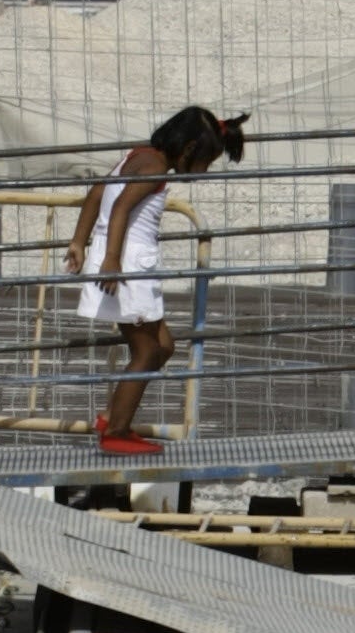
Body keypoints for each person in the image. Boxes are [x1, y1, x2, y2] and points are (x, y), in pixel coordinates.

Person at [67, 105, 246, 452]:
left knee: (164, 347)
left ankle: (112, 417)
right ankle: (116, 432)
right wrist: (112, 261)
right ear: (189, 149)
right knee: (147, 350)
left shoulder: (139, 156)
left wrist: (78, 241)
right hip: (127, 267)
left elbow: (97, 194)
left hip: (129, 264)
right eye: (204, 163)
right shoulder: (153, 167)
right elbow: (119, 208)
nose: (202, 172)